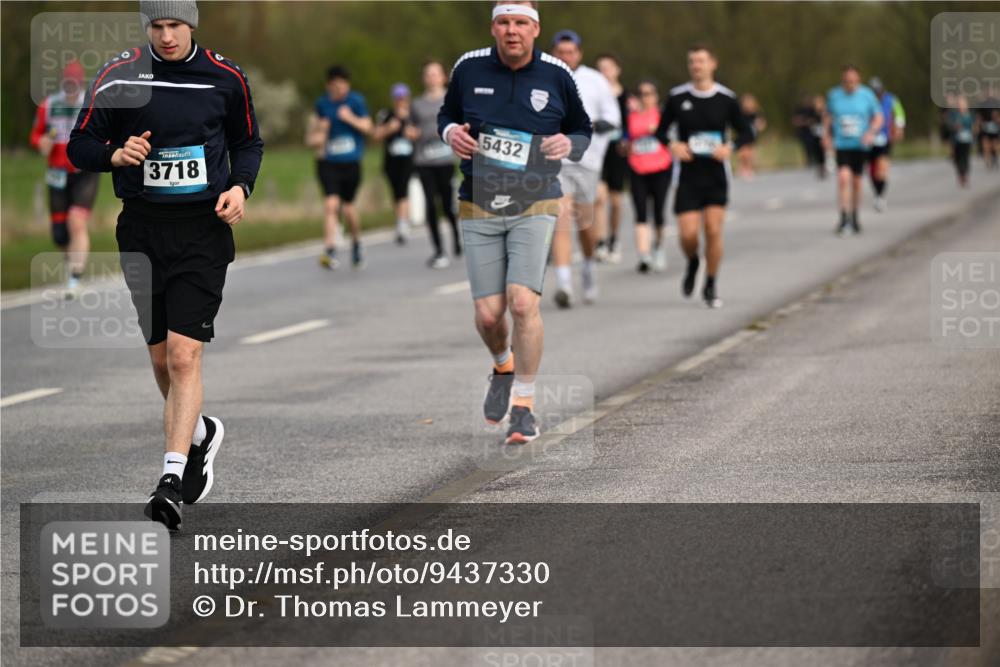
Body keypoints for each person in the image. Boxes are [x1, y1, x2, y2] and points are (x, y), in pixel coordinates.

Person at [67, 0, 263, 531]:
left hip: (202, 231)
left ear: (191, 24)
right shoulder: (117, 76)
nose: (166, 36)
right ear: (145, 28)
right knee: (160, 361)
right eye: (157, 26)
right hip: (142, 230)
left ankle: (171, 480)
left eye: (175, 25)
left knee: (182, 357)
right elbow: (78, 145)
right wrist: (114, 153)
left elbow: (248, 143)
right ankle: (200, 433)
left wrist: (240, 187)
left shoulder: (225, 78)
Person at [438, 0, 591, 444]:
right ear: (493, 27)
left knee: (522, 303)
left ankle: (524, 406)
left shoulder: (557, 74)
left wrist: (569, 143)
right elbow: (446, 114)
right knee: (489, 316)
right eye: (504, 23)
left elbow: (582, 129)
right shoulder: (468, 68)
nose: (512, 31)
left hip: (535, 199)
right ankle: (503, 365)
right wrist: (451, 133)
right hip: (479, 200)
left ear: (535, 29)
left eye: (521, 23)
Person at [655, 45, 753, 308]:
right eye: (692, 62)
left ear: (713, 64)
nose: (696, 66)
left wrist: (728, 148)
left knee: (712, 230)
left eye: (701, 61)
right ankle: (693, 261)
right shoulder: (677, 97)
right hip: (687, 176)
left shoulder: (726, 98)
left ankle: (710, 282)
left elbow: (747, 132)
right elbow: (660, 132)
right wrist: (674, 146)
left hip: (715, 175)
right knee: (687, 235)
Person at [550, 29, 621, 308]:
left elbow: (612, 117)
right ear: (554, 53)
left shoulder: (595, 81)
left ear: (578, 53)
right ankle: (565, 283)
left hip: (587, 162)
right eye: (561, 52)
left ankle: (589, 266)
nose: (566, 57)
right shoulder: (544, 76)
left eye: (570, 52)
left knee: (585, 225)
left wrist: (597, 125)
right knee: (561, 219)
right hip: (554, 163)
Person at [30, 60, 100, 295]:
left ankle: (74, 278)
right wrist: (41, 142)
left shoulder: (89, 105)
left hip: (84, 172)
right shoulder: (48, 106)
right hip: (57, 172)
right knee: (60, 233)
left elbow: (104, 135)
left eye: (75, 85)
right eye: (67, 85)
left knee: (76, 221)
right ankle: (71, 266)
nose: (71, 90)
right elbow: (36, 135)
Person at [308, 65, 372, 269]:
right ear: (328, 85)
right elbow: (313, 137)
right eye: (336, 86)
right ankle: (330, 249)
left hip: (351, 162)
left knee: (348, 207)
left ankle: (356, 242)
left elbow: (368, 127)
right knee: (331, 205)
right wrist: (322, 130)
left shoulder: (356, 101)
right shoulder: (322, 104)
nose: (340, 90)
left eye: (343, 86)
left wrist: (349, 118)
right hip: (328, 162)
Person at [411, 59, 461, 268]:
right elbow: (410, 129)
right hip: (424, 160)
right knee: (431, 205)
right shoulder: (416, 104)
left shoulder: (452, 99)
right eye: (428, 74)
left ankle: (456, 239)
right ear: (424, 79)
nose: (431, 78)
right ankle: (438, 250)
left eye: (435, 74)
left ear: (443, 77)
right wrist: (411, 133)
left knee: (448, 205)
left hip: (445, 159)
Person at [822, 65, 882, 236]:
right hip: (842, 144)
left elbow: (878, 117)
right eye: (847, 82)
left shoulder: (867, 95)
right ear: (842, 81)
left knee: (856, 181)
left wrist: (871, 132)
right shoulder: (834, 96)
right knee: (843, 178)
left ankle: (855, 216)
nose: (850, 85)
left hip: (860, 145)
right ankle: (843, 218)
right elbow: (827, 116)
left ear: (858, 80)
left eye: (853, 81)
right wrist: (826, 135)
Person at [627, 80, 673, 274]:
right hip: (637, 168)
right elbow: (624, 140)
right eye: (641, 93)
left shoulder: (663, 115)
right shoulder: (630, 117)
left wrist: (660, 131)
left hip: (661, 168)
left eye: (649, 93)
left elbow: (674, 137)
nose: (645, 97)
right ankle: (644, 255)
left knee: (659, 212)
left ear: (655, 96)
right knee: (640, 212)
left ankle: (659, 247)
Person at [594, 53, 630, 264]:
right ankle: (600, 242)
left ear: (617, 70)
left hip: (618, 151)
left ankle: (614, 238)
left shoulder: (626, 97)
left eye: (608, 68)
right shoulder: (593, 95)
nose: (604, 72)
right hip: (598, 149)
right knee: (599, 197)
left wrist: (628, 140)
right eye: (600, 68)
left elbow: (632, 123)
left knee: (616, 201)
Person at [373, 83, 416, 245]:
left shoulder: (412, 114)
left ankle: (403, 224)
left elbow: (418, 134)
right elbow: (376, 134)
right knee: (395, 192)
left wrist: (410, 132)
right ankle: (400, 219)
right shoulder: (386, 114)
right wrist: (389, 129)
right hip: (391, 160)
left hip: (408, 159)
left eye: (403, 98)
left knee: (404, 190)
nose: (400, 101)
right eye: (398, 98)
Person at [867, 77, 905, 212]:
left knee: (882, 168)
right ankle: (877, 193)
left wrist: (899, 128)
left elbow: (899, 114)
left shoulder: (891, 99)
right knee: (872, 170)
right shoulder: (866, 100)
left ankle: (880, 196)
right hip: (869, 139)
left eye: (877, 91)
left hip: (885, 137)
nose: (876, 94)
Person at [793, 94, 825, 178]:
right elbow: (803, 120)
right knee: (814, 148)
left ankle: (826, 163)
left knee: (824, 148)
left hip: (824, 132)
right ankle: (816, 163)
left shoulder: (826, 111)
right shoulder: (810, 111)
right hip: (813, 133)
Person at [736, 92, 766, 179]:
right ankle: (742, 167)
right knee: (742, 153)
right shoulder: (741, 114)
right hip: (742, 135)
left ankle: (749, 168)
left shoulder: (756, 113)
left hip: (752, 135)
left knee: (750, 153)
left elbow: (762, 124)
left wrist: (760, 125)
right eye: (746, 103)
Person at [948, 95, 975, 188]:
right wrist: (955, 127)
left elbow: (973, 126)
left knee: (965, 157)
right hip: (956, 140)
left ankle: (964, 175)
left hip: (966, 140)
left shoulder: (969, 114)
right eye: (959, 104)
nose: (961, 106)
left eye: (963, 104)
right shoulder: (954, 114)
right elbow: (949, 125)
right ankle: (961, 174)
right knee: (957, 159)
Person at [976, 88, 999, 170]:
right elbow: (979, 115)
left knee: (994, 146)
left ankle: (994, 157)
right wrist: (978, 125)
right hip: (985, 126)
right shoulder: (982, 104)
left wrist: (997, 120)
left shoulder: (997, 103)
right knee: (986, 146)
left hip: (994, 127)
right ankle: (987, 161)